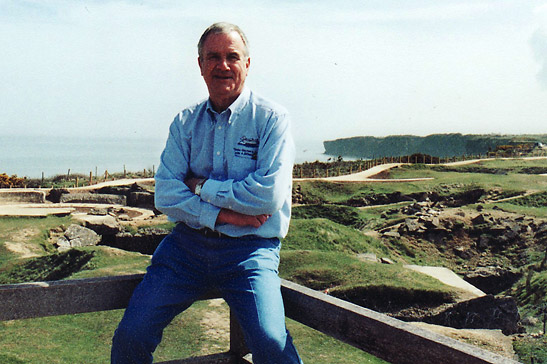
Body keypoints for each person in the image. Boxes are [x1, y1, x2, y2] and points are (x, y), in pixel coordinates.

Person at [111, 22, 303, 364]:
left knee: (272, 344)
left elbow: (267, 198)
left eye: (232, 56)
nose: (223, 65)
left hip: (250, 252)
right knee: (130, 337)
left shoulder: (272, 119)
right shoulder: (184, 123)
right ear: (200, 65)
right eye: (213, 57)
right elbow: (166, 195)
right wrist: (225, 215)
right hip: (185, 250)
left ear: (247, 64)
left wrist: (200, 186)